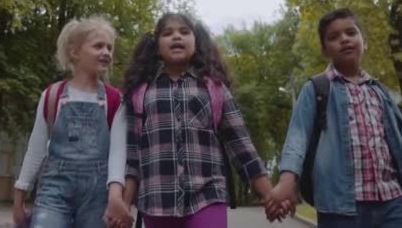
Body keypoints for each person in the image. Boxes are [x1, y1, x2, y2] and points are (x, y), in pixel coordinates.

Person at [269, 8, 402, 228]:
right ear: (325, 50)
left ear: (364, 41)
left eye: (351, 33)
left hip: (393, 204)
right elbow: (297, 138)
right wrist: (287, 183)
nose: (344, 39)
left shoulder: (380, 92)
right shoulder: (316, 88)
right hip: (340, 208)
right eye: (334, 37)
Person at [120, 12, 289, 228]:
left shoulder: (214, 89)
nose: (176, 37)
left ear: (196, 43)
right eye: (167, 33)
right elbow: (133, 157)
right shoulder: (141, 93)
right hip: (156, 201)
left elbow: (242, 146)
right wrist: (124, 204)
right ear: (156, 47)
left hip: (208, 196)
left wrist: (269, 194)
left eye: (184, 31)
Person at [12, 16, 132, 228]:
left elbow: (117, 154)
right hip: (54, 192)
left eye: (109, 47)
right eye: (98, 46)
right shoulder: (52, 95)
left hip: (98, 196)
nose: (106, 52)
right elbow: (36, 149)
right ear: (75, 52)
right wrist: (19, 196)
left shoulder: (115, 100)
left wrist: (115, 197)